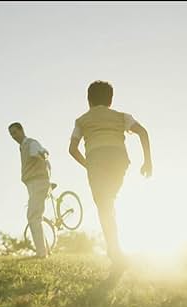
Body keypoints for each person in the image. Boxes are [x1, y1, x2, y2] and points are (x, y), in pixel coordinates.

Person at [68, 80, 152, 280]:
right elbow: (143, 132)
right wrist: (147, 162)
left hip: (96, 161)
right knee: (109, 202)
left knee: (104, 206)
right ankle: (115, 251)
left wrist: (88, 165)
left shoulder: (81, 121)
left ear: (88, 100)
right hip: (118, 161)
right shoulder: (121, 116)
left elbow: (72, 149)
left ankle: (115, 251)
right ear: (110, 100)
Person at [8, 122, 52, 259]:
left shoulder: (31, 143)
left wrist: (43, 155)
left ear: (21, 130)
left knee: (32, 216)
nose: (13, 136)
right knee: (36, 217)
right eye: (11, 134)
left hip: (38, 183)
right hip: (33, 184)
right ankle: (45, 251)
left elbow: (41, 153)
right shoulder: (22, 147)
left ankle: (41, 253)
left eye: (15, 132)